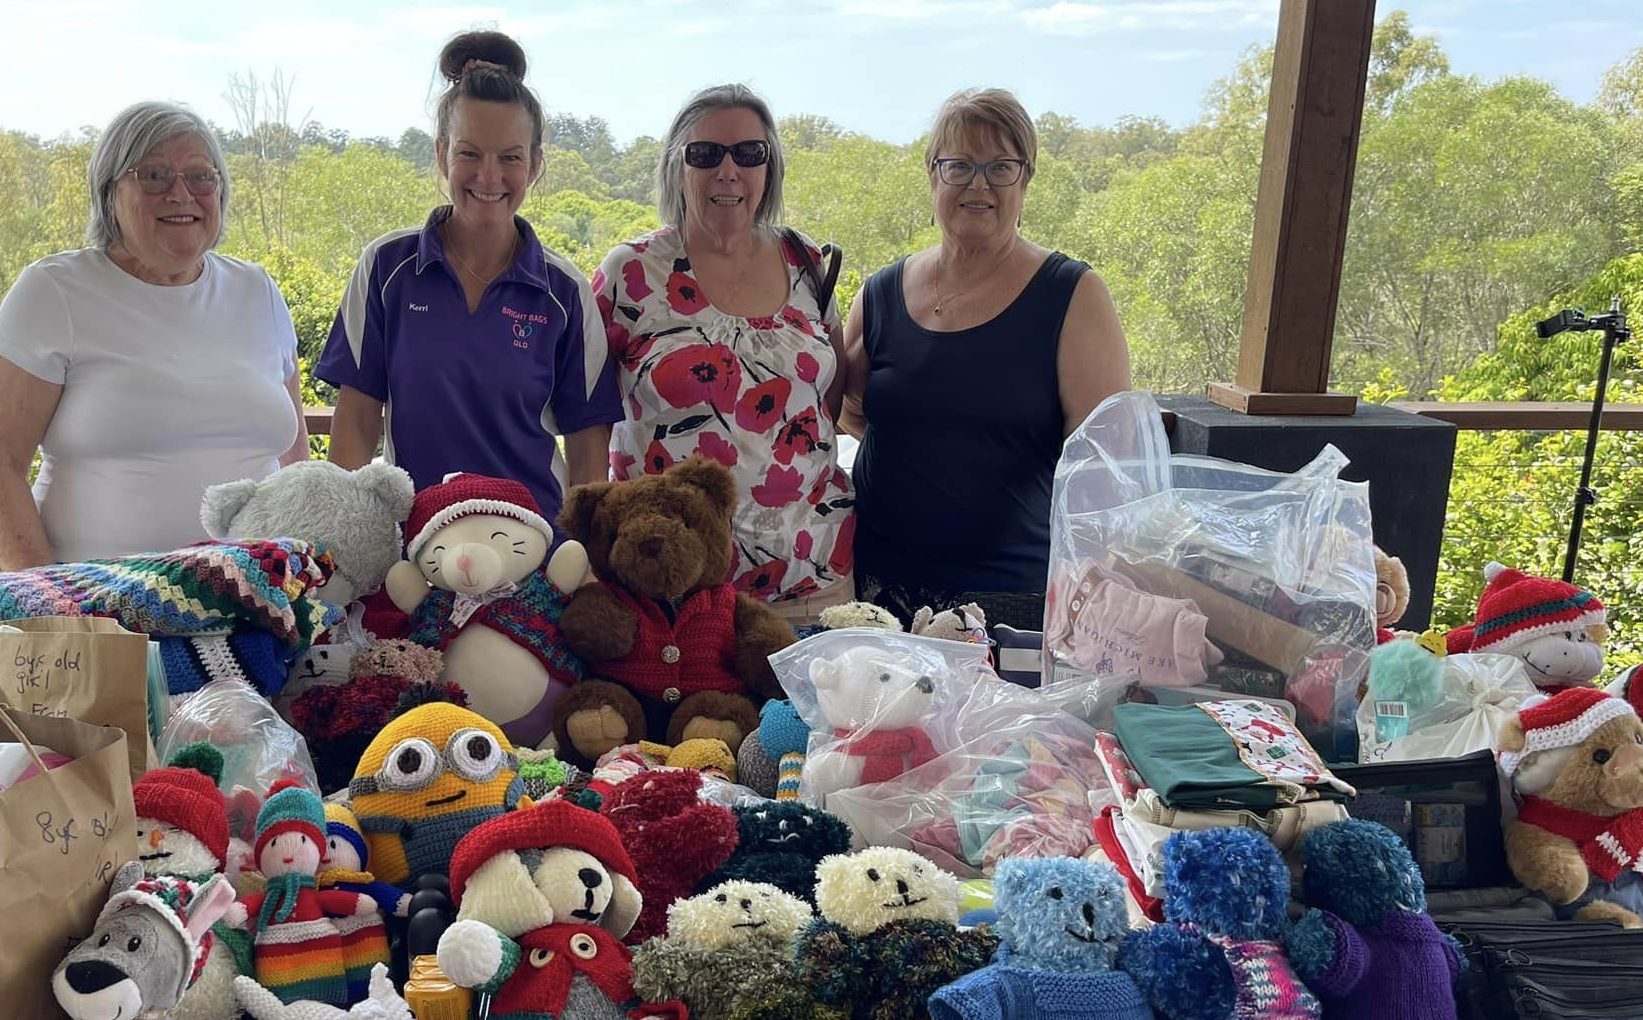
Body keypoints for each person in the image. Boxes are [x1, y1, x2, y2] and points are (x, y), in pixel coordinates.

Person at [0, 101, 309, 567]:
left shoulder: (257, 291)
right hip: (104, 610)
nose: (180, 193)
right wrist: (50, 603)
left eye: (201, 176)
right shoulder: (54, 292)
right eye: (153, 175)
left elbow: (294, 460)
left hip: (261, 604)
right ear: (110, 193)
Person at [841, 87, 1132, 627]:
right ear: (932, 174)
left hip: (1009, 603)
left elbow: (1106, 471)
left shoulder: (1072, 295)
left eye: (1001, 167)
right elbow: (849, 409)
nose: (979, 184)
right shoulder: (879, 294)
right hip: (875, 594)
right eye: (959, 166)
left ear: (1026, 179)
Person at [315, 31, 620, 521]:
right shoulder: (386, 268)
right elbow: (355, 421)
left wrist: (582, 560)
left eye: (511, 157)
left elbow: (587, 446)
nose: (489, 176)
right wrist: (348, 543)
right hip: (413, 555)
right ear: (441, 154)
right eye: (470, 153)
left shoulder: (564, 292)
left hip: (534, 551)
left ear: (536, 165)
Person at [594, 84, 854, 623]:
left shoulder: (805, 262)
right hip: (669, 586)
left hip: (813, 579)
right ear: (677, 167)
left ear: (770, 167)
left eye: (749, 153)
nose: (728, 170)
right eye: (705, 154)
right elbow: (587, 419)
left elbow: (831, 394)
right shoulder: (631, 273)